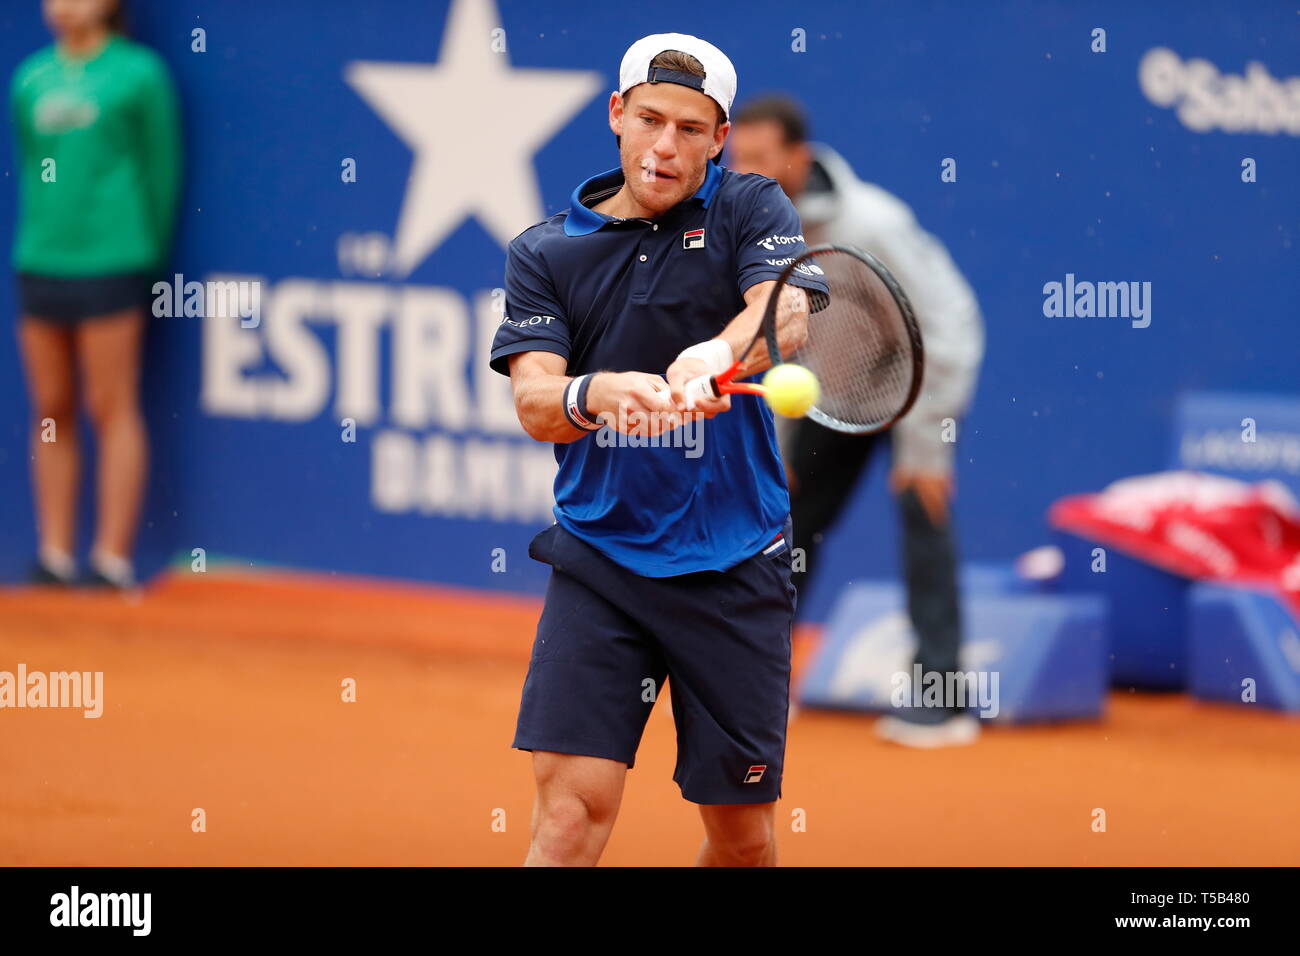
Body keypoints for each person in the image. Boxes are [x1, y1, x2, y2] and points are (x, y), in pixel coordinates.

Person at [490, 34, 826, 866]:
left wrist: (720, 354)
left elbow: (784, 314)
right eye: (649, 120)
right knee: (570, 816)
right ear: (617, 115)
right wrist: (593, 393)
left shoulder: (750, 206)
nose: (665, 147)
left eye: (690, 128)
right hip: (601, 561)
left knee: (741, 840)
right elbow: (536, 402)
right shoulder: (545, 252)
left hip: (736, 563)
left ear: (720, 139)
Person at [728, 96, 986, 748]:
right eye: (738, 159)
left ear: (798, 158)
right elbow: (779, 338)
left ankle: (942, 701)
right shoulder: (752, 228)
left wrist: (925, 447)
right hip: (839, 386)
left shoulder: (871, 222)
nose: (746, 172)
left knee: (921, 513)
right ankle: (753, 686)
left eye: (761, 159)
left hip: (921, 375)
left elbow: (947, 327)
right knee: (786, 524)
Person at [10, 0, 181, 588]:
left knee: (110, 404)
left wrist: (142, 255)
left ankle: (111, 560)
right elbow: (34, 165)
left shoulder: (139, 74)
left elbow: (161, 172)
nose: (62, 5)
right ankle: (55, 556)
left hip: (113, 260)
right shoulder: (30, 77)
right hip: (41, 260)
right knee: (52, 406)